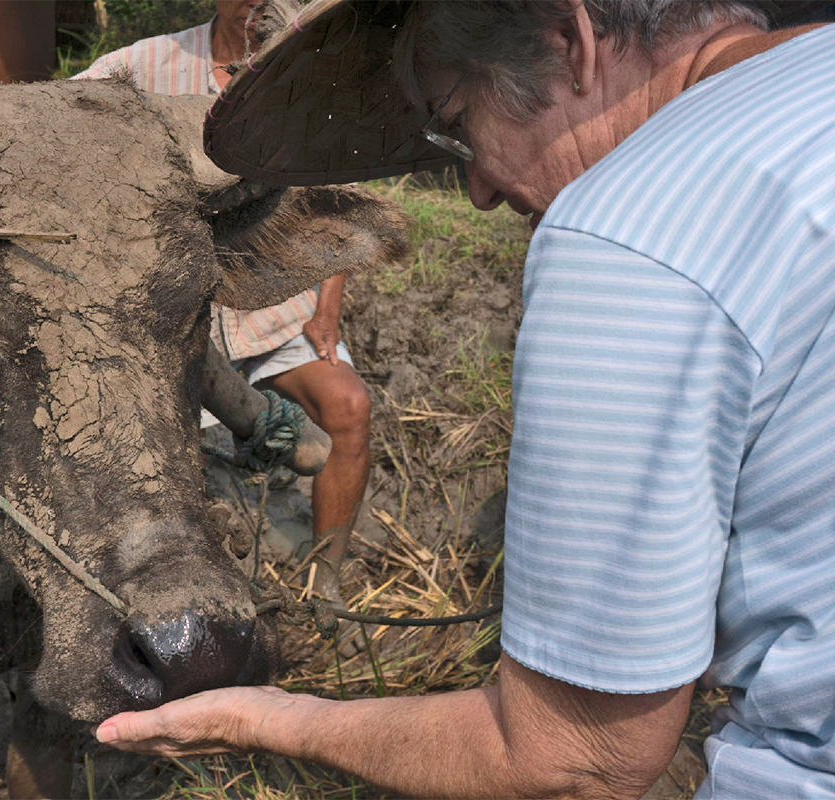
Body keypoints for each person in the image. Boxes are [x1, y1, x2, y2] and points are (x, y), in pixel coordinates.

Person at [89, 1, 835, 798]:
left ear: (571, 43)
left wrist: (265, 718)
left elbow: (575, 762)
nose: (477, 187)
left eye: (457, 122)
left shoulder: (628, 236)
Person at [73, 0, 373, 608]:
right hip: (169, 313)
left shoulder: (308, 75)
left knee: (348, 408)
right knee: (158, 450)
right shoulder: (141, 65)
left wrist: (326, 313)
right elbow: (55, 123)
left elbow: (338, 200)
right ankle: (186, 596)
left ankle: (327, 586)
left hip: (271, 304)